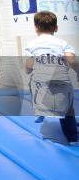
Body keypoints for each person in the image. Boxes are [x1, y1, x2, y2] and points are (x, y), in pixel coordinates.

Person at [24, 11, 79, 145]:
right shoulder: (62, 43)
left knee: (32, 83)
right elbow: (72, 61)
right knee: (68, 108)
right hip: (61, 79)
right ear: (56, 28)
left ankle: (39, 111)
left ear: (36, 27)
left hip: (41, 82)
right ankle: (73, 138)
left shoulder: (32, 44)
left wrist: (28, 70)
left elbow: (29, 64)